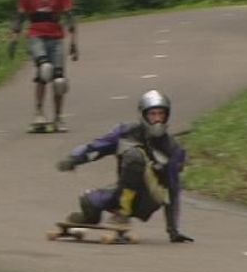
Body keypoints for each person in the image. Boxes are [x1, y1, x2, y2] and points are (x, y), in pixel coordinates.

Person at [56, 90, 194, 243]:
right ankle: (82, 221)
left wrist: (173, 229)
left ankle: (123, 213)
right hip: (124, 189)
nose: (157, 120)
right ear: (143, 115)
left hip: (148, 198)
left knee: (135, 156)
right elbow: (97, 146)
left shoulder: (173, 149)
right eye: (153, 114)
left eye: (161, 114)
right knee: (88, 202)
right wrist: (74, 158)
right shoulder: (126, 132)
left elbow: (173, 189)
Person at [8, 0, 78, 132]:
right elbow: (20, 17)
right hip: (36, 36)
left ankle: (58, 118)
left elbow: (70, 18)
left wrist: (74, 42)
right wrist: (13, 38)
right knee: (44, 70)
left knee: (59, 80)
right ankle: (39, 113)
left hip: (55, 38)